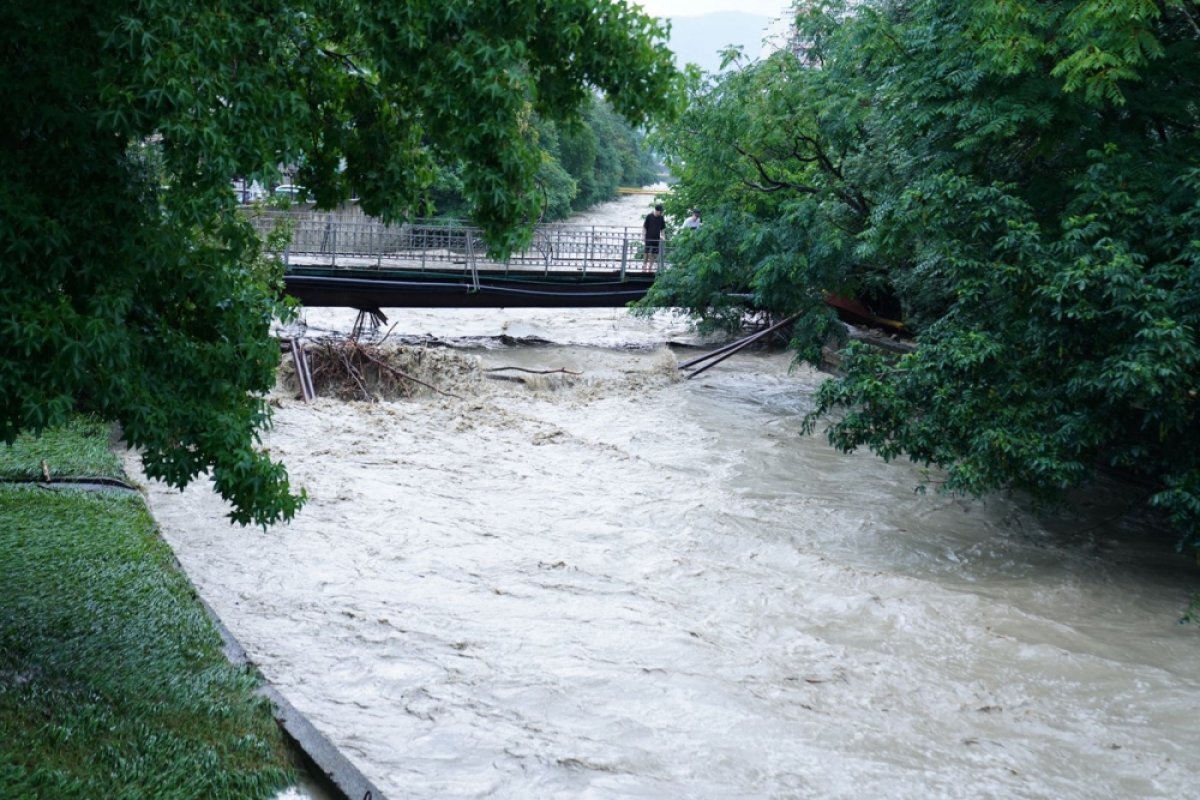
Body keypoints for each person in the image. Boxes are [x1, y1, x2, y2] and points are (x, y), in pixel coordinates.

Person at [643, 203, 667, 268]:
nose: (662, 212)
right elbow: (644, 227)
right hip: (648, 237)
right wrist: (643, 236)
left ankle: (650, 266)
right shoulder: (649, 216)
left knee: (654, 253)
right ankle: (644, 265)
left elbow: (663, 229)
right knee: (647, 252)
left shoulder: (661, 218)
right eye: (661, 211)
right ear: (657, 211)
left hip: (656, 238)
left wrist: (663, 236)